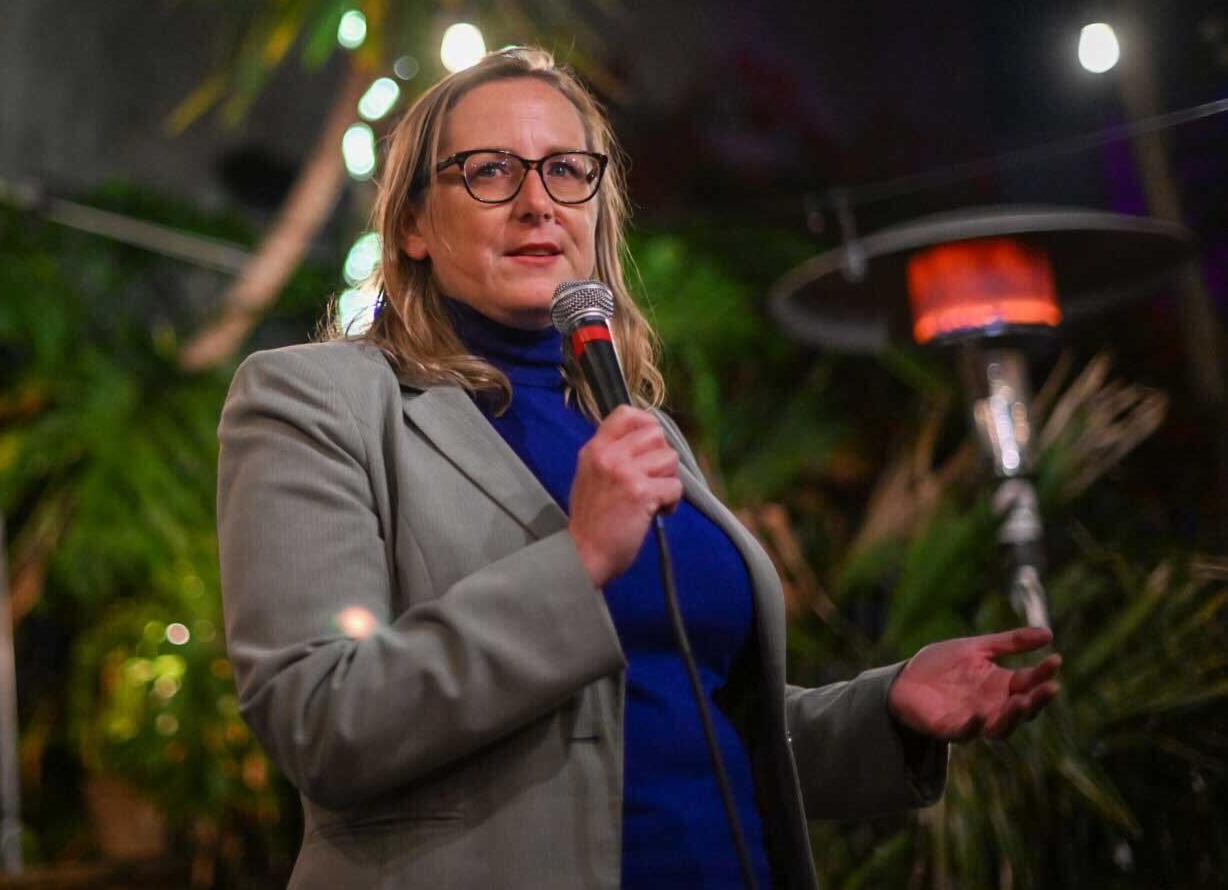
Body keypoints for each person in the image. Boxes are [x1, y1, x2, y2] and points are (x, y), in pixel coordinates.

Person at [216, 47, 1061, 889]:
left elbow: (687, 721)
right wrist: (576, 562)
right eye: (490, 172)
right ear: (411, 224)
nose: (537, 202)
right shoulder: (318, 400)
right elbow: (322, 718)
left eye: (566, 170)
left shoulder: (628, 419)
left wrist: (886, 710)